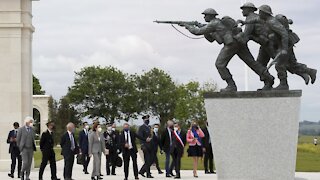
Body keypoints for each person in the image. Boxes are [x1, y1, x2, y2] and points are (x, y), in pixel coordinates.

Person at [182, 8, 274, 91]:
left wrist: (188, 26)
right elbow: (211, 38)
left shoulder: (214, 23)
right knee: (251, 62)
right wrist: (201, 27)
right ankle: (268, 78)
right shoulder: (217, 23)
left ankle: (231, 85)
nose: (204, 17)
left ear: (210, 16)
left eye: (205, 15)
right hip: (239, 42)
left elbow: (197, 32)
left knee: (220, 64)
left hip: (231, 44)